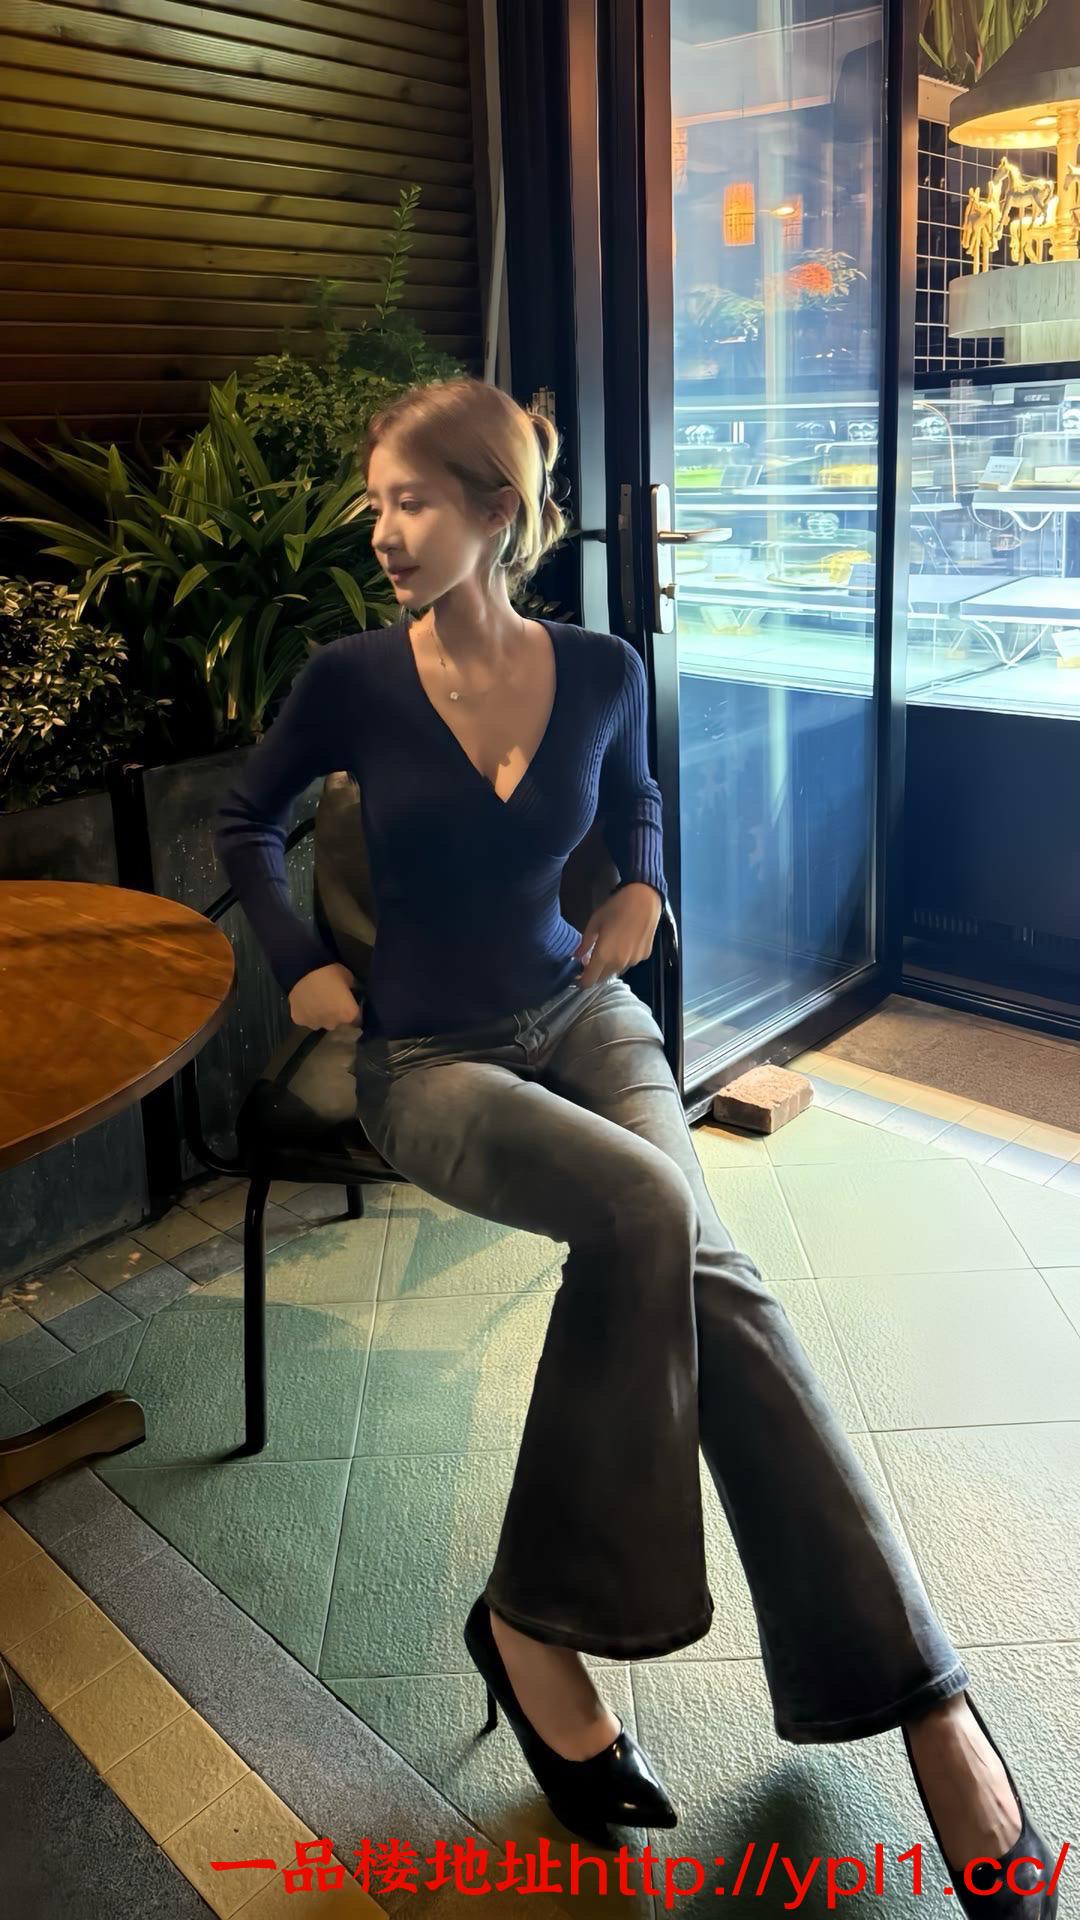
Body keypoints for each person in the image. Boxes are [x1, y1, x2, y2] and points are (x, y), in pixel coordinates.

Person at [214, 376, 1057, 1909]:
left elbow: (639, 795)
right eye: (377, 502)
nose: (383, 531)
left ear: (493, 512)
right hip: (425, 1058)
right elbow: (243, 824)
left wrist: (643, 884)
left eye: (412, 501)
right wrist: (297, 960)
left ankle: (910, 1690)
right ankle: (596, 1637)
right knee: (651, 1214)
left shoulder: (600, 666)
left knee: (701, 1257)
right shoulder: (351, 679)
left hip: (581, 1015)